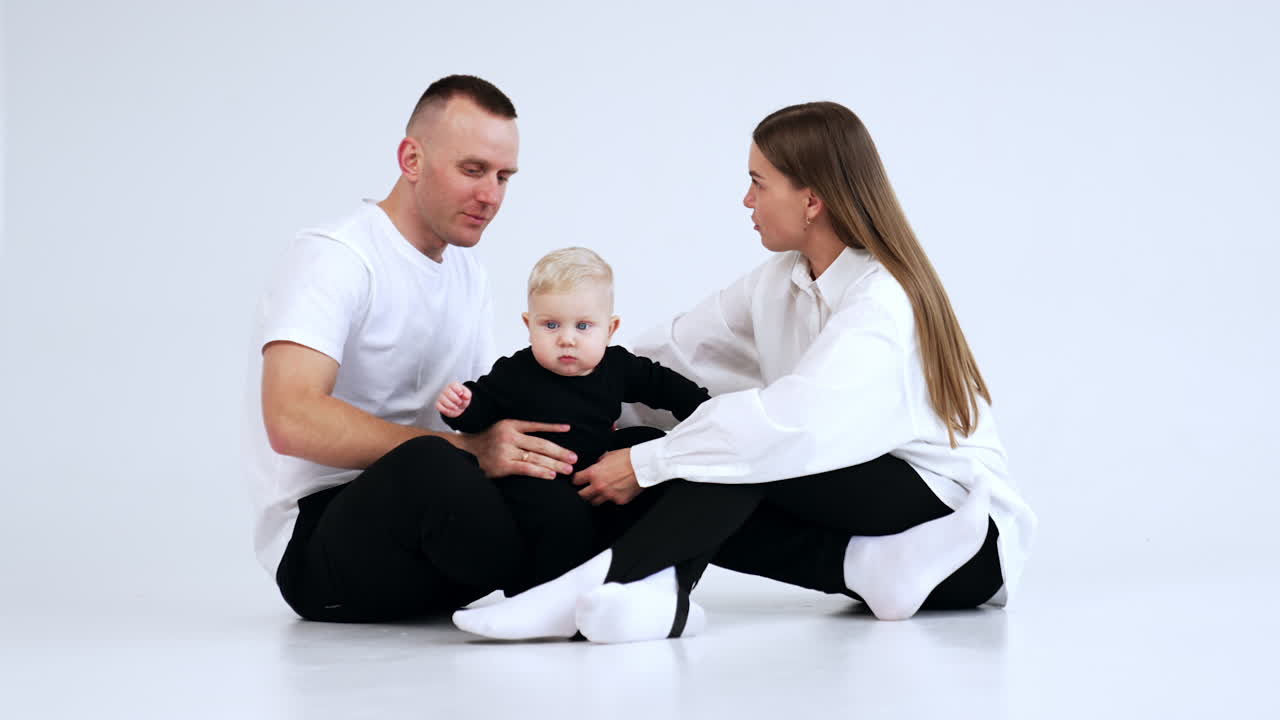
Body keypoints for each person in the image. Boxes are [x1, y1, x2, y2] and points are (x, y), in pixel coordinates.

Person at [452, 101, 1038, 644]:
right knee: (654, 442)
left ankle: (606, 583)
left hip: (960, 536)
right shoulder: (779, 279)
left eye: (758, 183)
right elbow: (672, 355)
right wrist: (558, 406)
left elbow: (795, 427)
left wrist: (649, 463)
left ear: (812, 200)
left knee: (727, 445)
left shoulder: (882, 301)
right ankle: (697, 590)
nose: (746, 200)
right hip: (891, 549)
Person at [244, 75, 582, 623]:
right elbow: (291, 418)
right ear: (412, 159)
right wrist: (471, 451)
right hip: (322, 552)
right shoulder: (335, 256)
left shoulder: (468, 272)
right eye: (472, 170)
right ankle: (568, 592)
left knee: (583, 455)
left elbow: (478, 411)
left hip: (438, 536)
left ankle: (612, 587)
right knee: (432, 462)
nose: (490, 195)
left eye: (503, 177)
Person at [435, 247, 711, 594]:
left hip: (597, 472)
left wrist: (706, 409)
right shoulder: (516, 371)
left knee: (643, 438)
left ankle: (639, 580)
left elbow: (666, 387)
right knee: (560, 519)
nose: (567, 338)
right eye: (550, 325)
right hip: (539, 477)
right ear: (528, 325)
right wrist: (461, 406)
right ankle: (543, 594)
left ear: (610, 329)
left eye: (583, 326)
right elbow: (482, 410)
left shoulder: (617, 366)